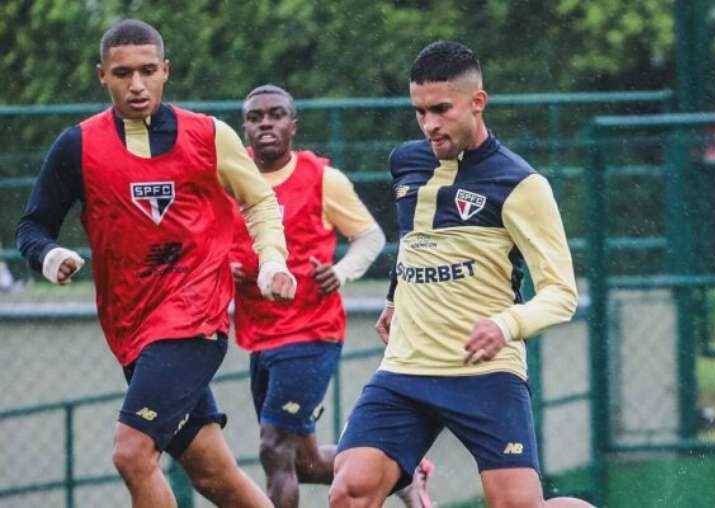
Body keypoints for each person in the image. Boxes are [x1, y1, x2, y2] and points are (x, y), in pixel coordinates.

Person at [15, 19, 293, 508]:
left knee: (132, 454)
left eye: (148, 70)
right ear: (102, 75)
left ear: (166, 70)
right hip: (130, 327)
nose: (137, 85)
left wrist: (272, 259)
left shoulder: (209, 135)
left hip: (193, 320)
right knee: (214, 475)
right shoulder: (77, 145)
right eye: (123, 73)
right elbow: (32, 227)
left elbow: (260, 201)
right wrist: (51, 254)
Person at [330, 41, 595, 508]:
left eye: (441, 109)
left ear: (478, 102)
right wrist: (395, 297)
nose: (430, 124)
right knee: (349, 491)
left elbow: (560, 293)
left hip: (485, 373)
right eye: (419, 112)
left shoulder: (521, 185)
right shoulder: (406, 162)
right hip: (407, 369)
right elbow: (415, 237)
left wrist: (505, 324)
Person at [230, 84, 433, 508]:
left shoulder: (322, 178)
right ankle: (401, 474)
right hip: (259, 334)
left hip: (310, 334)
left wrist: (340, 273)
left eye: (275, 114)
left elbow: (370, 237)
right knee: (303, 462)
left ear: (293, 125)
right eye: (254, 117)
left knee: (273, 448)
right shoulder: (232, 177)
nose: (265, 123)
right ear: (244, 127)